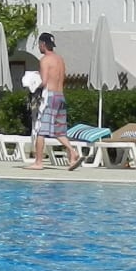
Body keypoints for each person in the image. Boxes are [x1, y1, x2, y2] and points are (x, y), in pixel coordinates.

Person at [30, 33, 81, 170]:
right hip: (60, 96)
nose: (39, 47)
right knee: (59, 131)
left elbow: (44, 82)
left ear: (43, 44)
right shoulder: (60, 60)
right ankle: (73, 152)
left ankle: (38, 162)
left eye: (39, 44)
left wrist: (31, 85)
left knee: (40, 130)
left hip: (50, 96)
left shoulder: (45, 60)